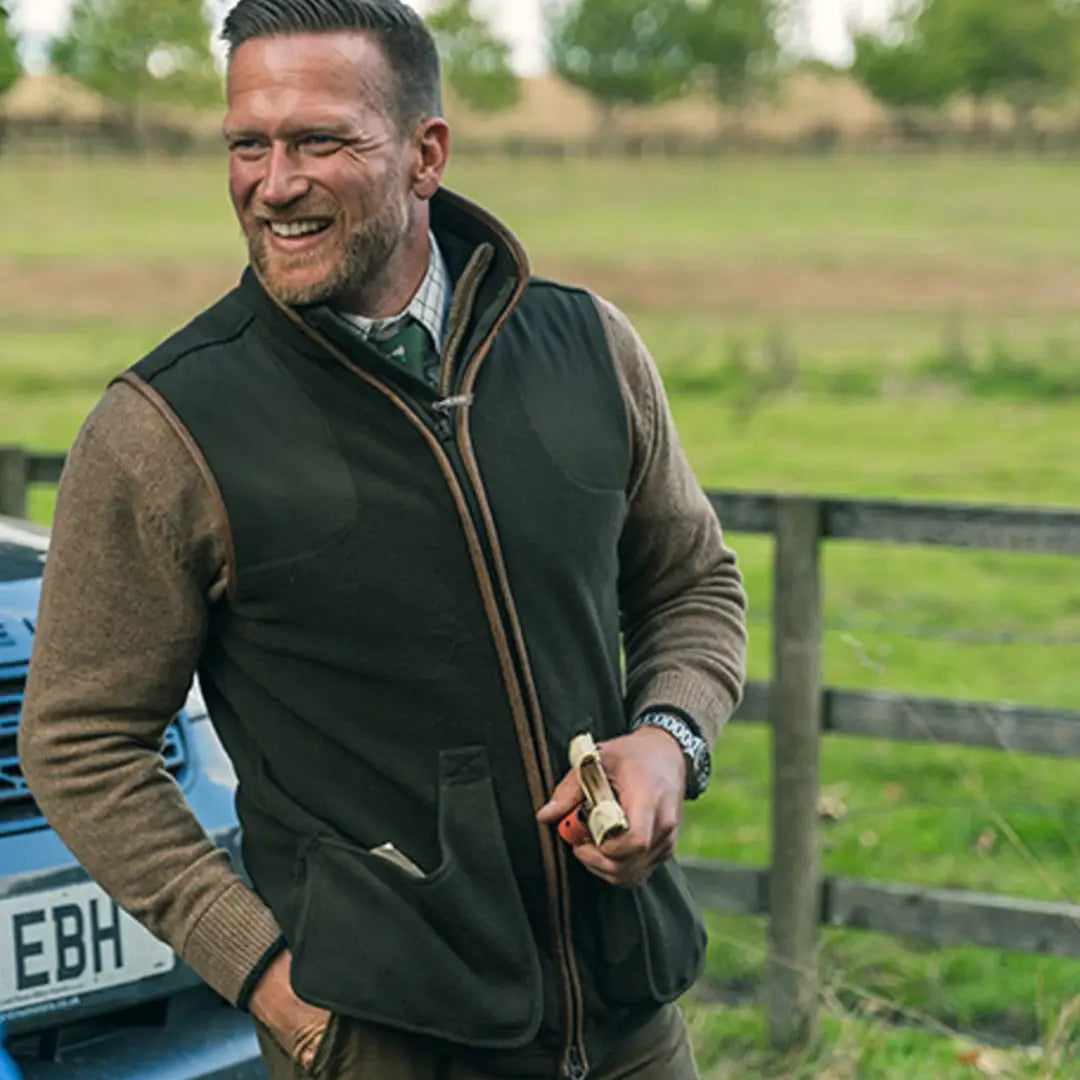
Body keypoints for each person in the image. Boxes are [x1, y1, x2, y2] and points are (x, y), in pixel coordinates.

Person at [19, 2, 747, 1077]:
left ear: (425, 154)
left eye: (320, 141)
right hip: (379, 1045)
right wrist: (268, 979)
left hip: (634, 1022)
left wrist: (670, 738)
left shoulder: (590, 348)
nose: (273, 183)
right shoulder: (163, 430)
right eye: (248, 145)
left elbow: (693, 584)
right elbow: (78, 739)